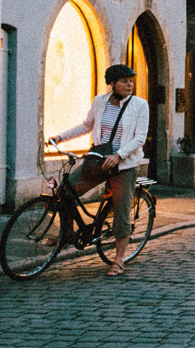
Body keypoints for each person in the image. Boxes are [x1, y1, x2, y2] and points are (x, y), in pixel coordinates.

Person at [49, 63, 148, 276]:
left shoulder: (139, 105)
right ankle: (67, 235)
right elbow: (87, 125)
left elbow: (139, 138)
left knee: (121, 211)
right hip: (98, 160)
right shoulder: (100, 102)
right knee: (65, 191)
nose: (129, 84)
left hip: (124, 165)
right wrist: (60, 137)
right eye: (124, 81)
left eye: (131, 80)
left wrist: (118, 155)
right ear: (112, 83)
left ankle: (119, 260)